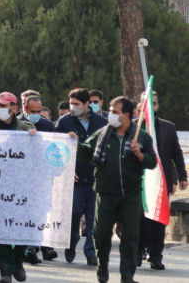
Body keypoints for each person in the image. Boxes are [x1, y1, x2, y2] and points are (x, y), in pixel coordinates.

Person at [70, 96, 156, 283]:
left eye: (115, 112)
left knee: (130, 236)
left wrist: (139, 153)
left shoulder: (141, 137)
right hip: (104, 194)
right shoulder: (102, 134)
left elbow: (152, 162)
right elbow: (85, 152)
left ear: (126, 115)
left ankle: (127, 275)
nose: (111, 115)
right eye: (111, 110)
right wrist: (75, 143)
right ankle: (102, 266)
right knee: (100, 234)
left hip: (130, 195)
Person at [0, 96, 37, 283]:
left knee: (21, 227)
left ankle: (18, 259)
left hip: (22, 188)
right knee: (1, 229)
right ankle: (5, 269)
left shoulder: (27, 128)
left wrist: (35, 140)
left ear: (13, 108)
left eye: (3, 106)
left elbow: (38, 156)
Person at [54, 88, 107, 265]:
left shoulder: (101, 122)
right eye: (71, 104)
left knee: (93, 218)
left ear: (87, 104)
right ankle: (71, 242)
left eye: (76, 104)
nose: (73, 107)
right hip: (73, 180)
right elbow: (55, 147)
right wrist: (66, 169)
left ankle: (91, 252)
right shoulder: (64, 121)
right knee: (74, 213)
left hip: (95, 178)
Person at [137, 91, 187, 270]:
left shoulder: (168, 127)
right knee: (141, 219)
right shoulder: (133, 127)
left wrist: (182, 176)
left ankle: (156, 255)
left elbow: (176, 153)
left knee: (158, 221)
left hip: (161, 182)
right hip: (138, 181)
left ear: (158, 106)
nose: (151, 106)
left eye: (154, 103)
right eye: (148, 103)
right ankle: (138, 251)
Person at [18, 95, 57, 264]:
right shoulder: (17, 124)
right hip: (22, 178)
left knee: (40, 213)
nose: (35, 114)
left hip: (42, 177)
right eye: (32, 111)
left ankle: (34, 245)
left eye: (38, 111)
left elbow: (54, 149)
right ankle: (28, 249)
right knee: (25, 212)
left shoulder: (47, 125)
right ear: (25, 109)